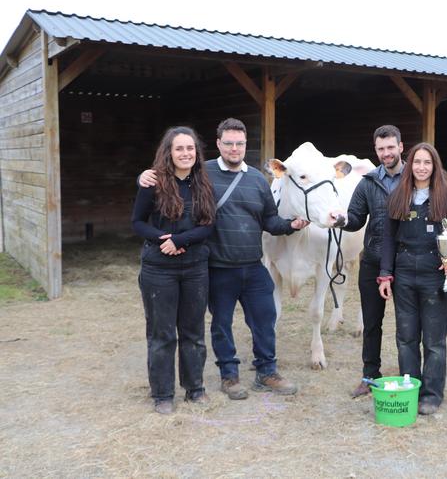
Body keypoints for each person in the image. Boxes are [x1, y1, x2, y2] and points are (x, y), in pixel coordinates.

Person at [139, 118, 309, 400]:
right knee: (221, 323)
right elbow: (168, 179)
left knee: (265, 318)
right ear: (218, 144)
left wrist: (290, 225)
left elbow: (269, 220)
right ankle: (229, 376)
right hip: (217, 266)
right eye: (228, 143)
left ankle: (267, 371)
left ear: (245, 145)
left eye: (239, 144)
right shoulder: (201, 174)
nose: (234, 148)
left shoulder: (257, 179)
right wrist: (143, 177)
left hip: (253, 265)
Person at [132, 126, 216, 414]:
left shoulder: (203, 182)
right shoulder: (152, 182)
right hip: (159, 269)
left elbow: (208, 225)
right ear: (168, 152)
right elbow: (138, 222)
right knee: (162, 334)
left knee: (193, 331)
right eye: (179, 148)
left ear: (197, 152)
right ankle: (163, 394)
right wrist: (161, 240)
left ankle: (195, 388)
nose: (185, 153)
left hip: (195, 268)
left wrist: (180, 240)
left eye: (190, 148)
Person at [378, 143, 447, 415]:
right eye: (417, 162)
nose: (422, 167)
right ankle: (409, 387)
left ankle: (432, 394)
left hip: (433, 273)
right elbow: (388, 238)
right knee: (406, 336)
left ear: (434, 166)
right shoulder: (397, 195)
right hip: (403, 271)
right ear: (409, 164)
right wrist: (385, 274)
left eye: (427, 162)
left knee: (434, 340)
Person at [342, 125, 405, 398]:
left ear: (401, 147)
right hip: (373, 260)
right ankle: (370, 375)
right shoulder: (367, 182)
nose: (386, 153)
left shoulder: (415, 178)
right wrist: (341, 220)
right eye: (381, 148)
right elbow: (355, 217)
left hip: (406, 262)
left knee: (408, 324)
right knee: (371, 322)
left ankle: (409, 375)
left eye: (391, 147)